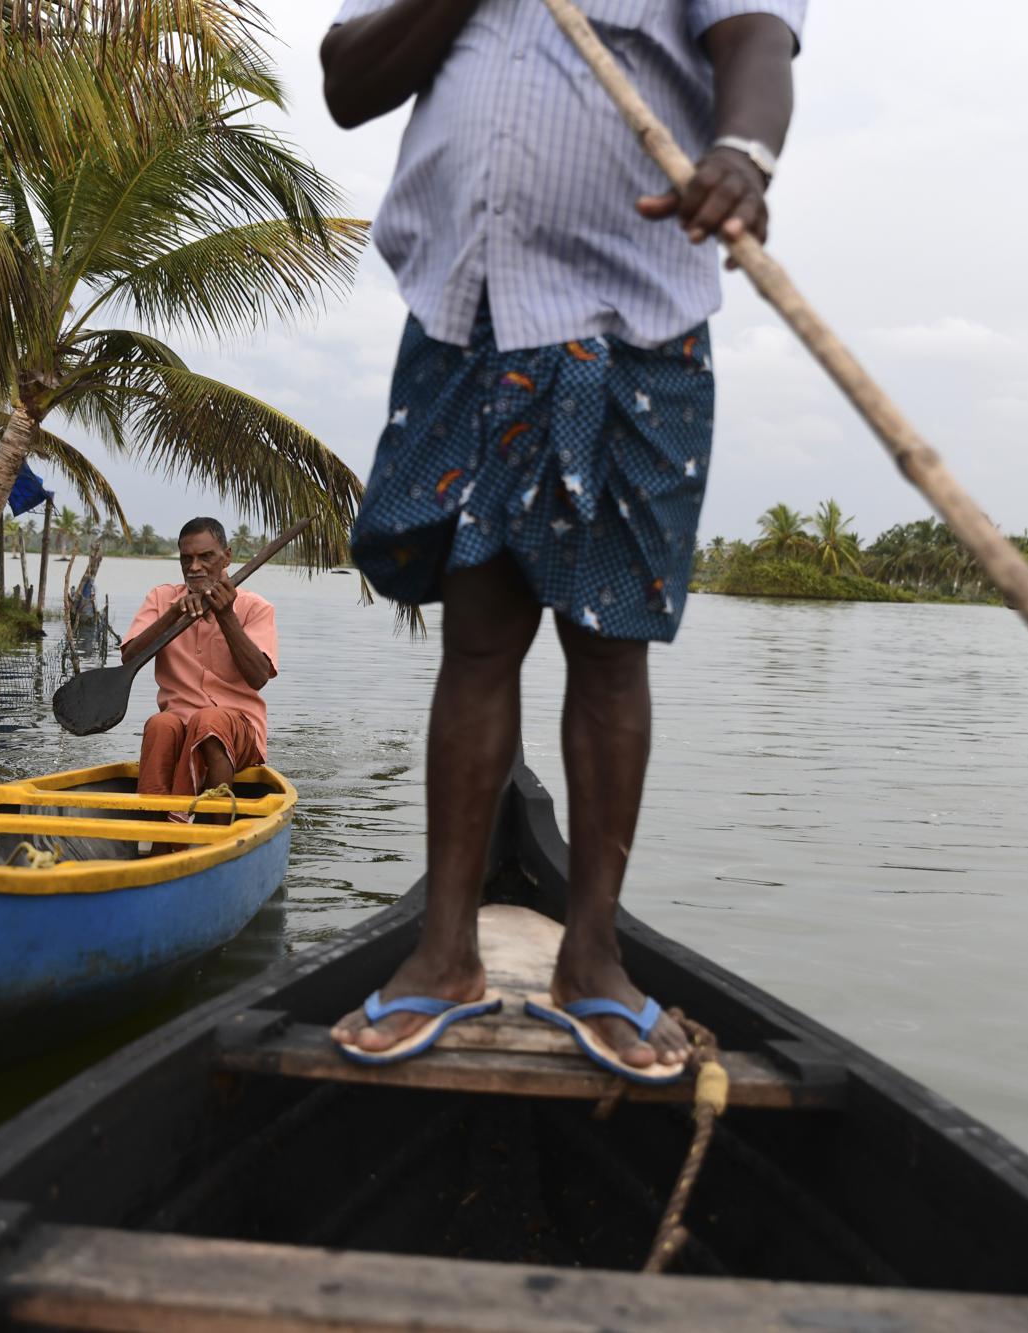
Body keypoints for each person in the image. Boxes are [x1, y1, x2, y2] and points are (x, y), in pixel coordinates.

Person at [321, 0, 802, 1077]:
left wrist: (740, 154)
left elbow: (757, 42)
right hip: (464, 318)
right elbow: (347, 83)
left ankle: (592, 959)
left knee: (606, 641)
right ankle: (442, 954)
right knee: (478, 639)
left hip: (628, 325)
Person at [121, 518, 278, 821]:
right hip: (178, 724)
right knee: (160, 724)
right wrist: (172, 615)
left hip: (237, 729)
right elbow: (130, 657)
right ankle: (151, 832)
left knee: (209, 721)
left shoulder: (255, 607)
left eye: (206, 557)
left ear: (227, 557)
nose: (195, 567)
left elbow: (258, 677)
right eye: (186, 558)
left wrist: (226, 616)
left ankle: (215, 833)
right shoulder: (162, 599)